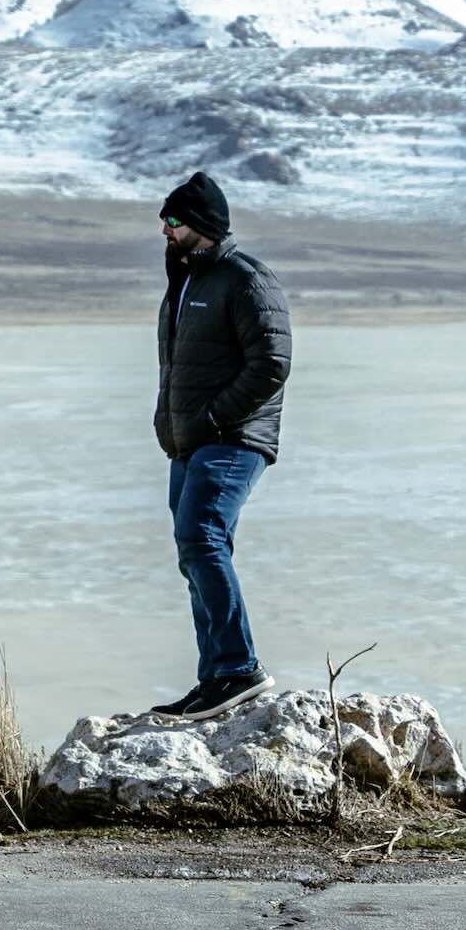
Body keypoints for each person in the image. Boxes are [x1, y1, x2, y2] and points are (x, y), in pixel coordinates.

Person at [147, 170, 291, 722]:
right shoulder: (185, 282)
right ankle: (215, 678)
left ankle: (238, 668)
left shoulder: (244, 277)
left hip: (232, 438)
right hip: (189, 442)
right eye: (164, 218)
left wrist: (212, 417)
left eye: (174, 219)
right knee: (195, 552)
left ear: (202, 224)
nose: (165, 228)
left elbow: (272, 363)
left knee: (201, 537)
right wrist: (172, 427)